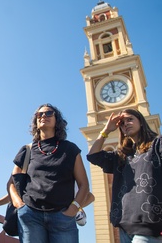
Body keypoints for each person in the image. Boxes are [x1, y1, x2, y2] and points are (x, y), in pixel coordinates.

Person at [8, 103, 89, 243]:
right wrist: (19, 204)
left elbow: (84, 184)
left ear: (57, 120)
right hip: (30, 216)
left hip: (63, 217)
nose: (43, 116)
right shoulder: (27, 150)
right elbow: (11, 183)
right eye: (39, 114)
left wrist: (73, 209)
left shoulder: (70, 149)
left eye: (49, 113)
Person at [87, 109, 162, 242]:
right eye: (122, 123)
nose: (125, 124)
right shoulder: (121, 156)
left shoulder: (157, 145)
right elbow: (93, 156)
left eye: (130, 119)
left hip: (149, 226)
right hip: (124, 228)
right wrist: (106, 131)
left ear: (141, 122)